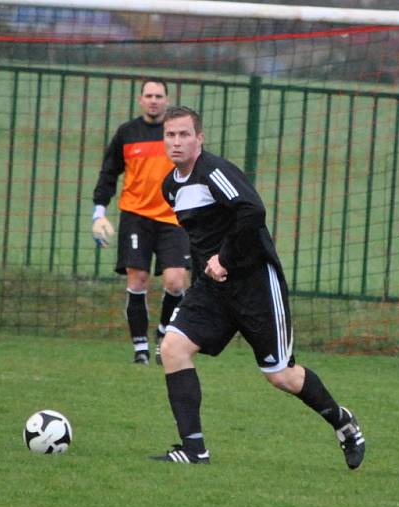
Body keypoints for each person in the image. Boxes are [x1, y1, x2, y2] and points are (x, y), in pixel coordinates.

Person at [153, 105, 365, 469]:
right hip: (212, 289)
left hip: (254, 285)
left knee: (281, 376)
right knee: (172, 348)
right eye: (170, 135)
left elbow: (253, 211)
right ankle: (193, 450)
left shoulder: (214, 172)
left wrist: (224, 258)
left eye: (184, 134)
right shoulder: (171, 186)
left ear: (199, 138)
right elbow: (201, 232)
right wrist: (205, 267)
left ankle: (343, 422)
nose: (177, 141)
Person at [91, 78, 191, 366]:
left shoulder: (175, 134)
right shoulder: (127, 133)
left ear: (167, 99)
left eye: (159, 95)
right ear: (140, 99)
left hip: (173, 217)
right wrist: (99, 210)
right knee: (138, 279)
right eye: (149, 95)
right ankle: (140, 349)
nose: (154, 100)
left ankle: (162, 338)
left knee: (175, 281)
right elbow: (109, 172)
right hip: (136, 216)